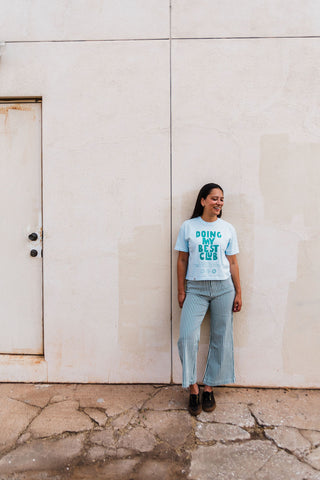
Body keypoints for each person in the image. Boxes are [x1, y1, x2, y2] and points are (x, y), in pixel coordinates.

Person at [175, 183, 242, 416]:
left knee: (221, 337)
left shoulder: (227, 229)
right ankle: (192, 387)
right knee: (186, 337)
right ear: (203, 201)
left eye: (222, 199)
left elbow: (233, 263)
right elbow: (182, 260)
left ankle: (209, 387)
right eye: (214, 198)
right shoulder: (188, 227)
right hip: (196, 288)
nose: (219, 203)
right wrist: (181, 290)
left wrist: (239, 292)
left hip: (224, 288)